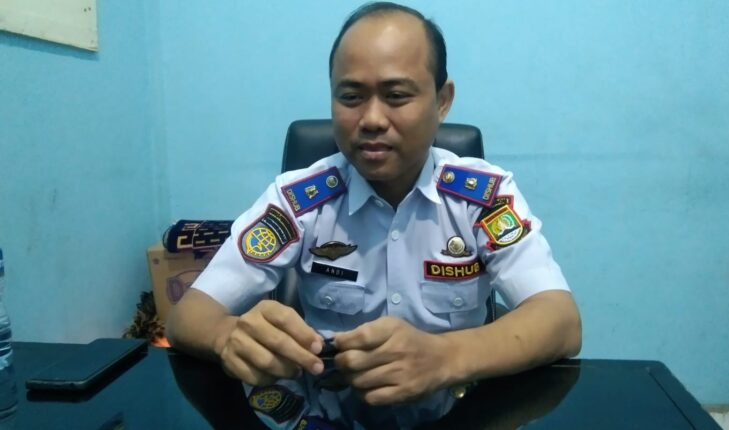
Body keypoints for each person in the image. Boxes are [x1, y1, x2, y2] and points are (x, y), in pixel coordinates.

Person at [166, 2, 582, 429]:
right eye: (350, 97)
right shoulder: (298, 199)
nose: (371, 119)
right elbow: (188, 316)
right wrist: (228, 336)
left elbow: (561, 321)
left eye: (396, 95)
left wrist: (446, 357)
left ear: (442, 101)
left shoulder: (484, 197)